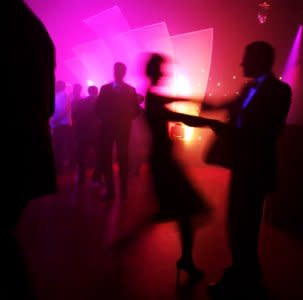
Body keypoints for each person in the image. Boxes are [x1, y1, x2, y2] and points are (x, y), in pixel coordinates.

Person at [202, 41, 292, 298]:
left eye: (246, 58)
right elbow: (237, 109)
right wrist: (216, 110)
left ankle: (243, 278)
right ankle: (245, 274)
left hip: (255, 168)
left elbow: (264, 131)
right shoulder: (252, 88)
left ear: (260, 59)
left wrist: (225, 127)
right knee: (239, 224)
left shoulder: (279, 91)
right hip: (245, 167)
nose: (242, 63)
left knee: (245, 225)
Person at [144, 53, 218, 281]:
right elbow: (179, 115)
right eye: (160, 69)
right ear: (152, 72)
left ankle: (186, 259)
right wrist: (212, 122)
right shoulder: (152, 99)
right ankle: (186, 259)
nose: (164, 73)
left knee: (184, 212)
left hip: (164, 162)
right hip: (163, 164)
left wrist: (196, 102)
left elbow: (174, 101)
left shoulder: (152, 97)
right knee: (187, 210)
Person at [5, 1, 57, 298]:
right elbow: (46, 105)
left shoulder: (14, 23)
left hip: (9, 149)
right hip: (23, 150)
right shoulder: (30, 27)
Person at [95, 62, 140, 200]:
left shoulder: (105, 88)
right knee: (121, 158)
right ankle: (122, 191)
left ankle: (112, 191)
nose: (117, 73)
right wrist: (126, 118)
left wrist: (105, 118)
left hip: (110, 128)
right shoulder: (130, 90)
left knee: (110, 158)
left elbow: (97, 109)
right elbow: (136, 111)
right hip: (121, 129)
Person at [72, 85, 100, 184]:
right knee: (100, 156)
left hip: (82, 132)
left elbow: (74, 115)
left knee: (81, 156)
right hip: (97, 133)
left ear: (88, 92)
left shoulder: (81, 102)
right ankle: (96, 178)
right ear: (97, 92)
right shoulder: (101, 102)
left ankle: (81, 178)